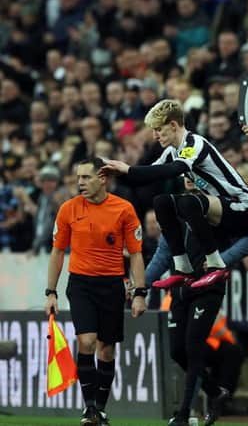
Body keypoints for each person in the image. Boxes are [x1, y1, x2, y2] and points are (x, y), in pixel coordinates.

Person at [100, 99, 248, 290]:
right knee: (161, 202)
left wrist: (129, 170)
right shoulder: (171, 151)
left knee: (187, 202)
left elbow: (175, 169)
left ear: (173, 125)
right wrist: (117, 173)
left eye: (158, 129)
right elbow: (147, 176)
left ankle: (216, 264)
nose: (155, 135)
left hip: (244, 210)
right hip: (218, 213)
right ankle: (183, 268)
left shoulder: (195, 143)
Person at [145, 175, 248, 426]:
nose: (189, 180)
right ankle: (216, 392)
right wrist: (140, 284)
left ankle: (183, 414)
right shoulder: (175, 210)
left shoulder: (220, 208)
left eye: (196, 175)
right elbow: (163, 254)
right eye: (185, 176)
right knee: (177, 351)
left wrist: (221, 260)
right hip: (182, 287)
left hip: (209, 286)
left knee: (193, 345)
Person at [44, 158, 147, 426]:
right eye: (78, 178)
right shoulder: (68, 209)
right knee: (86, 341)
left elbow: (136, 254)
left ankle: (100, 408)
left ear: (103, 178)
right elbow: (57, 252)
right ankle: (89, 409)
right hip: (80, 284)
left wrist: (139, 292)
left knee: (107, 350)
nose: (80, 183)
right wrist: (50, 291)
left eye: (86, 178)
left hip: (112, 284)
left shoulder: (124, 209)